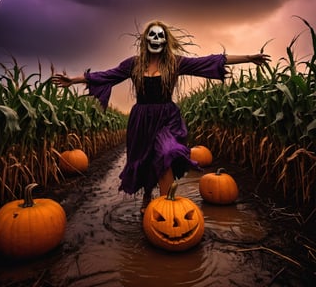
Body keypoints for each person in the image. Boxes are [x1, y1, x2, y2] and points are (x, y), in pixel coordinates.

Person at [52, 20, 270, 214]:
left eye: (160, 36)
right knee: (146, 159)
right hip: (141, 119)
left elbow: (210, 60)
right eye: (152, 35)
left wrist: (249, 58)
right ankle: (148, 195)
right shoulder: (133, 64)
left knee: (166, 153)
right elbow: (104, 75)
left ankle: (167, 205)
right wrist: (73, 80)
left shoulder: (175, 63)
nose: (156, 39)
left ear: (165, 41)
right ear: (146, 39)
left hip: (167, 117)